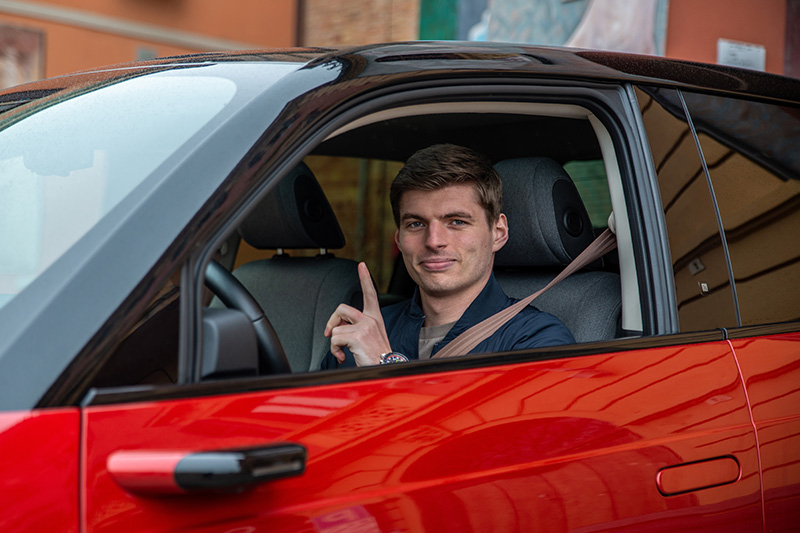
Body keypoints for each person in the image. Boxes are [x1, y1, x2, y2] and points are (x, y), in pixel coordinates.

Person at [321, 144, 574, 368]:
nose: (434, 241)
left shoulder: (537, 340)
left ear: (498, 233)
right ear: (399, 238)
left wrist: (383, 362)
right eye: (416, 224)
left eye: (457, 221)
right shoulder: (363, 335)